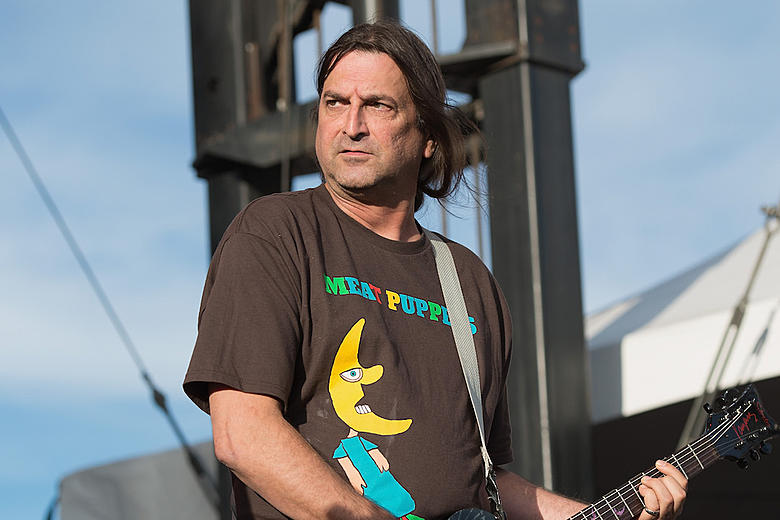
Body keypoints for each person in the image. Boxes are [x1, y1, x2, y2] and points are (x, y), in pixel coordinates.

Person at [184, 21, 687, 520]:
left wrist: (602, 515)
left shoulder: (468, 281)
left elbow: (481, 482)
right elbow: (242, 433)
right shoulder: (275, 232)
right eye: (335, 103)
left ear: (427, 135)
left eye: (377, 105)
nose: (351, 124)